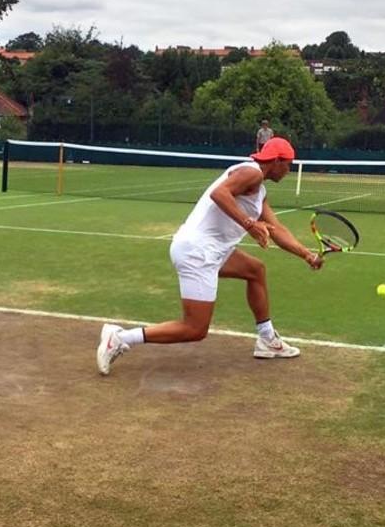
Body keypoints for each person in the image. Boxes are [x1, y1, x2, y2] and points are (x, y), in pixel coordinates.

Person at [96, 136, 323, 376]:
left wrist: (306, 254)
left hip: (213, 251)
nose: (288, 170)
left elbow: (277, 230)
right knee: (195, 328)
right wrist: (249, 224)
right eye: (288, 164)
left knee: (255, 270)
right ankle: (120, 338)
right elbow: (220, 194)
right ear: (276, 161)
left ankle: (267, 340)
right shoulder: (251, 172)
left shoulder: (259, 190)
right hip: (198, 252)